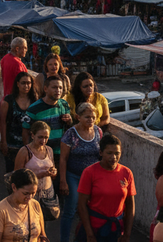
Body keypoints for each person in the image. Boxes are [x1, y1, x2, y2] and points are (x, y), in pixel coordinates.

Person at [76, 134, 135, 242]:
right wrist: (89, 234)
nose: (114, 157)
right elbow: (81, 205)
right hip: (95, 229)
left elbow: (130, 205)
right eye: (109, 153)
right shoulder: (89, 172)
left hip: (116, 230)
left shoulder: (126, 172)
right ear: (101, 152)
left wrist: (127, 233)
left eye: (117, 153)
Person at [60, 102, 103, 242]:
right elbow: (63, 159)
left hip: (93, 178)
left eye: (93, 117)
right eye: (87, 117)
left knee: (90, 210)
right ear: (78, 117)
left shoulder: (98, 132)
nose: (90, 120)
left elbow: (100, 156)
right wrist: (63, 181)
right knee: (70, 210)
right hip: (74, 176)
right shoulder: (71, 134)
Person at [0, 168, 45, 242]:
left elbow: (42, 237)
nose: (30, 197)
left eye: (33, 193)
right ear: (14, 187)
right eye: (26, 193)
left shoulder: (35, 205)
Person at [0, 71, 38, 172]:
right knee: (12, 173)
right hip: (11, 144)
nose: (26, 86)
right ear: (17, 84)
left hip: (30, 144)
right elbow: (2, 122)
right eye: (23, 83)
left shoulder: (35, 101)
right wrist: (3, 141)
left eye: (29, 83)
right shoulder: (8, 100)